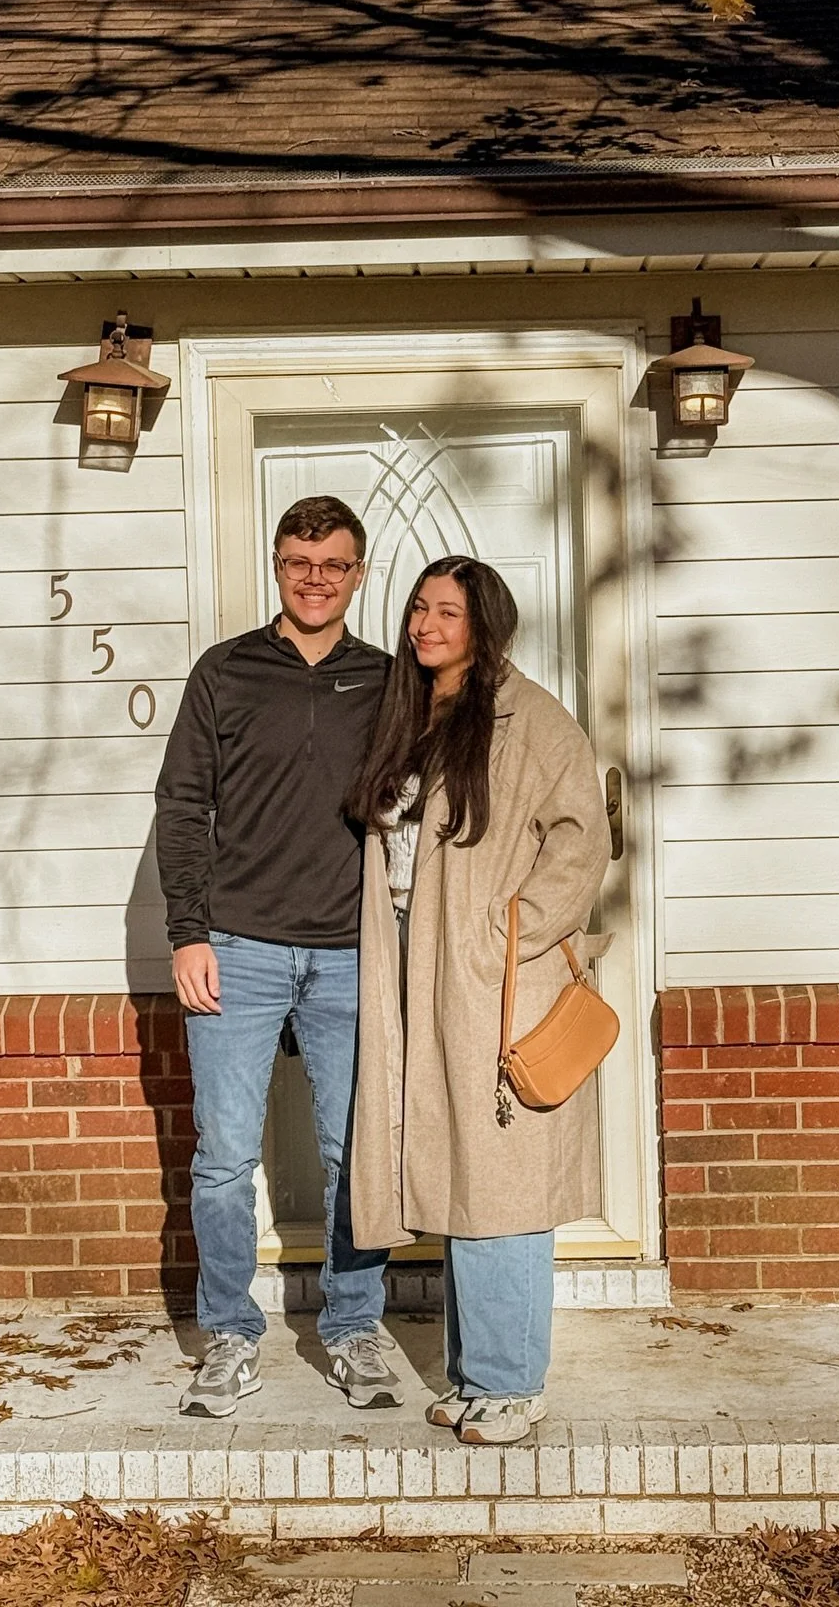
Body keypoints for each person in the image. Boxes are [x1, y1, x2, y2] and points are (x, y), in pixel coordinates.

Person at [345, 556, 610, 1446]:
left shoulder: (530, 718)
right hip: (419, 971)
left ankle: (512, 1383)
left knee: (502, 1182)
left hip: (493, 980)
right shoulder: (416, 716)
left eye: (447, 612)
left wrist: (510, 936)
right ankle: (475, 1373)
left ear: (485, 622)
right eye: (419, 608)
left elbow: (580, 841)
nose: (425, 624)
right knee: (461, 1170)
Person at [156, 495, 399, 1417]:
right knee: (222, 1160)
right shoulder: (225, 672)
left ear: (358, 573)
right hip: (237, 949)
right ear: (277, 564)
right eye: (300, 563)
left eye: (334, 565)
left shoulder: (386, 679)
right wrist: (188, 932)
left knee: (353, 1153)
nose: (316, 579)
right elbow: (182, 806)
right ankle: (228, 1335)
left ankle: (352, 1329)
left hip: (351, 951)